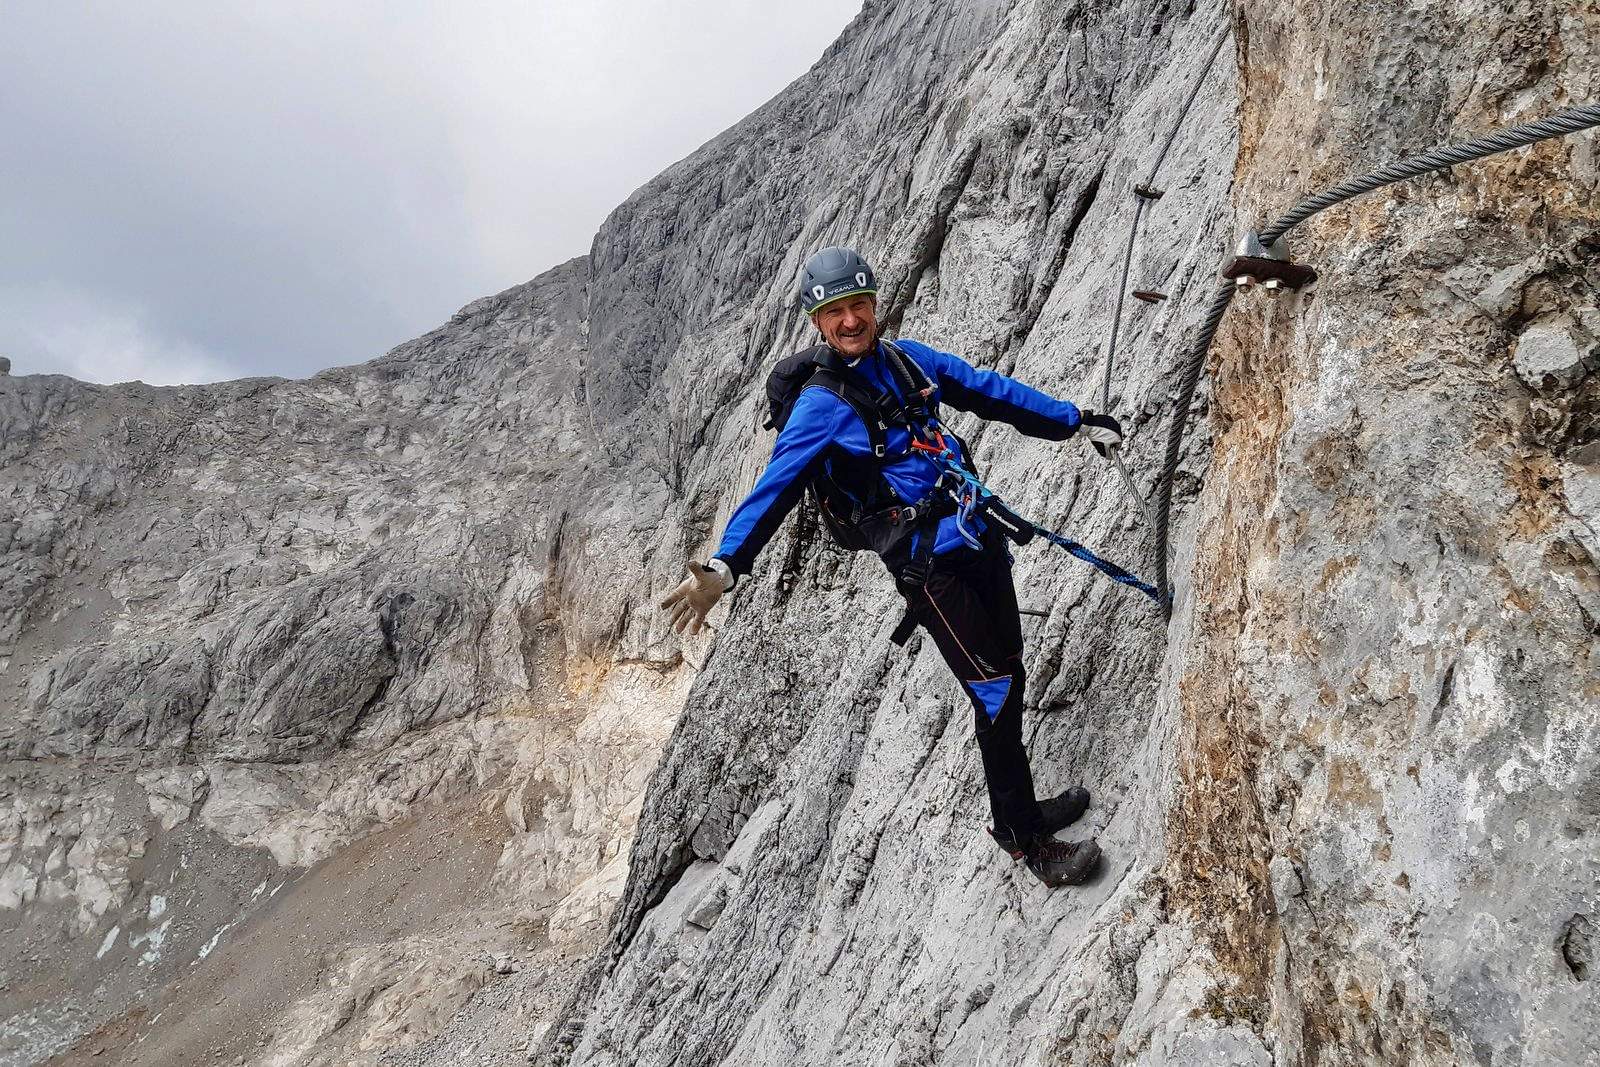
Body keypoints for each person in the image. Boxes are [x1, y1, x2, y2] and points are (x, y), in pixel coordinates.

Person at [659, 246, 1122, 888]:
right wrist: (726, 565)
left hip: (974, 531)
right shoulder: (819, 406)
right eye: (835, 312)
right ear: (818, 323)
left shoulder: (908, 361)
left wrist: (1072, 421)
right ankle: (1026, 841)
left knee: (1010, 673)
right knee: (993, 686)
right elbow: (776, 486)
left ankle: (1021, 808)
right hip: (927, 565)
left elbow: (988, 389)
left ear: (874, 305)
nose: (850, 320)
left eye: (858, 305)